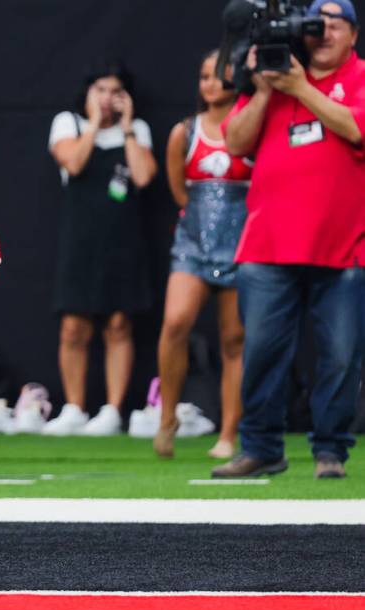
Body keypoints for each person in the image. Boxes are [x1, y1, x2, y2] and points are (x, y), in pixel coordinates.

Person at [214, 0, 365, 480]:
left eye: (334, 25)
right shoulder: (275, 70)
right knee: (260, 351)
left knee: (340, 356)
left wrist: (300, 88)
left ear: (353, 35)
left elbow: (357, 128)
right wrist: (263, 91)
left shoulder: (360, 76)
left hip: (343, 246)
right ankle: (261, 447)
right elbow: (235, 143)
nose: (322, 33)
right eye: (315, 26)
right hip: (268, 245)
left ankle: (330, 451)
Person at [44, 59, 157, 436]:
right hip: (80, 239)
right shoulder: (68, 124)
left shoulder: (137, 130)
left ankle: (112, 409)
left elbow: (142, 177)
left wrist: (126, 130)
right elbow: (73, 164)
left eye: (115, 92)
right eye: (101, 90)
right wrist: (93, 122)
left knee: (119, 323)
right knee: (74, 325)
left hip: (124, 241)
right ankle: (74, 407)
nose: (108, 98)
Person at [153, 51, 250, 460]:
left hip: (241, 245)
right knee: (175, 323)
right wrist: (200, 224)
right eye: (203, 76)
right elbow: (179, 190)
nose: (209, 84)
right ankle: (167, 416)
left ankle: (229, 431)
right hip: (192, 245)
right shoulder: (185, 132)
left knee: (234, 339)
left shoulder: (252, 127)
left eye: (218, 75)